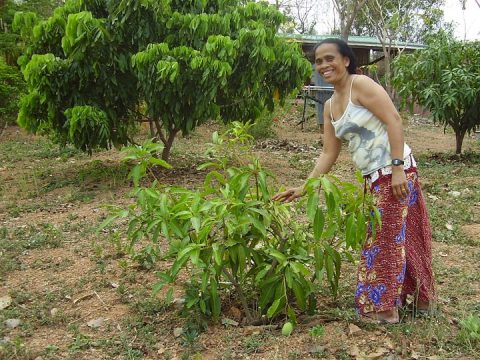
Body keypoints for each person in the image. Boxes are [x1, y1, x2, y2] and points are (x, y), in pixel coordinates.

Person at [273, 38, 435, 324]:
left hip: (395, 171)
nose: (324, 65)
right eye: (319, 61)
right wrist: (304, 187)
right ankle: (419, 299)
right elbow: (328, 153)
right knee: (402, 235)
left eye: (329, 58)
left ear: (346, 60)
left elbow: (394, 120)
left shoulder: (360, 85)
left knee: (383, 239)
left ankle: (384, 309)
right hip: (373, 178)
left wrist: (397, 169)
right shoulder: (330, 106)